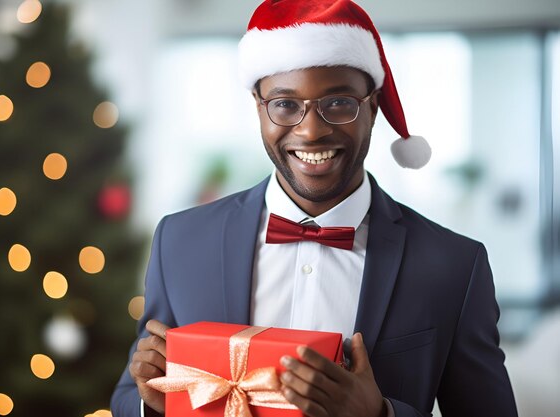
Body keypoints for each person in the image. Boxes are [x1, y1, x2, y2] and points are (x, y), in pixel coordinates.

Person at [111, 1, 518, 416]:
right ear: (258, 106)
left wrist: (379, 414)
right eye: (286, 104)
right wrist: (155, 406)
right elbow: (129, 396)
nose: (311, 131)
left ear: (373, 107)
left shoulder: (454, 264)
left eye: (339, 103)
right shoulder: (180, 240)